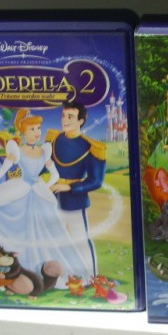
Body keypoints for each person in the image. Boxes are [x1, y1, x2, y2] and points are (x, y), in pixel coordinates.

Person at [0, 109, 91, 287]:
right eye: (32, 129)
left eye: (38, 128)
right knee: (15, 224)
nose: (37, 133)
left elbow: (55, 174)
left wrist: (45, 187)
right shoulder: (17, 150)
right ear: (24, 132)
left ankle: (47, 272)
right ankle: (16, 268)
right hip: (21, 191)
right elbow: (2, 170)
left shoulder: (44, 150)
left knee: (48, 230)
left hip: (38, 193)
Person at [48, 101, 107, 277]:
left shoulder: (92, 147)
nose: (65, 120)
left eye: (70, 117)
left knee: (79, 239)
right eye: (63, 116)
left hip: (75, 201)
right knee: (54, 240)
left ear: (81, 121)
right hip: (52, 199)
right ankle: (60, 276)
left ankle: (91, 277)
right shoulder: (54, 139)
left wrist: (68, 187)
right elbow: (44, 167)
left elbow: (96, 181)